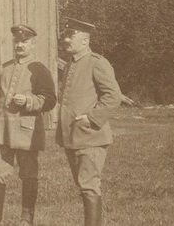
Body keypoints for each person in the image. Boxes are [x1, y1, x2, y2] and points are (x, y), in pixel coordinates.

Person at [0, 24, 57, 226]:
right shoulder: (4, 68)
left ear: (33, 44)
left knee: (29, 175)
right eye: (17, 41)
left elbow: (50, 99)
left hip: (27, 132)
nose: (20, 45)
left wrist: (29, 101)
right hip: (1, 131)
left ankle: (26, 220)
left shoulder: (40, 70)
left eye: (25, 41)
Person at [56, 18, 121, 226]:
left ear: (85, 40)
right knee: (84, 185)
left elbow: (113, 96)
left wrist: (91, 118)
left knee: (89, 185)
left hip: (91, 135)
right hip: (74, 136)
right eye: (65, 35)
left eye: (71, 35)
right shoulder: (71, 64)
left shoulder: (96, 62)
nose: (66, 39)